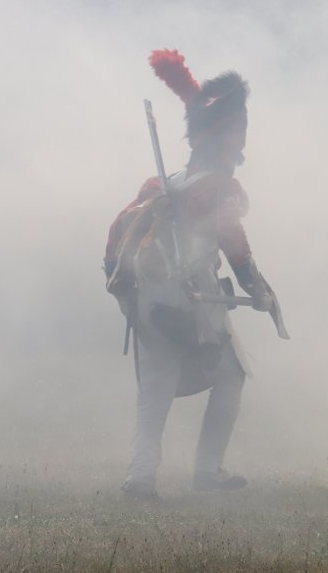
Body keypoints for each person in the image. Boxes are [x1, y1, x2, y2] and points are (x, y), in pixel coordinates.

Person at [105, 49, 275, 500]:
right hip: (190, 300)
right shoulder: (219, 187)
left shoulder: (160, 184)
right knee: (231, 377)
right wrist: (256, 289)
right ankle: (207, 471)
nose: (241, 145)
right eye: (238, 134)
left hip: (148, 300)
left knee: (155, 390)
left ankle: (140, 477)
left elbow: (116, 235)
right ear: (225, 138)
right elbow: (233, 241)